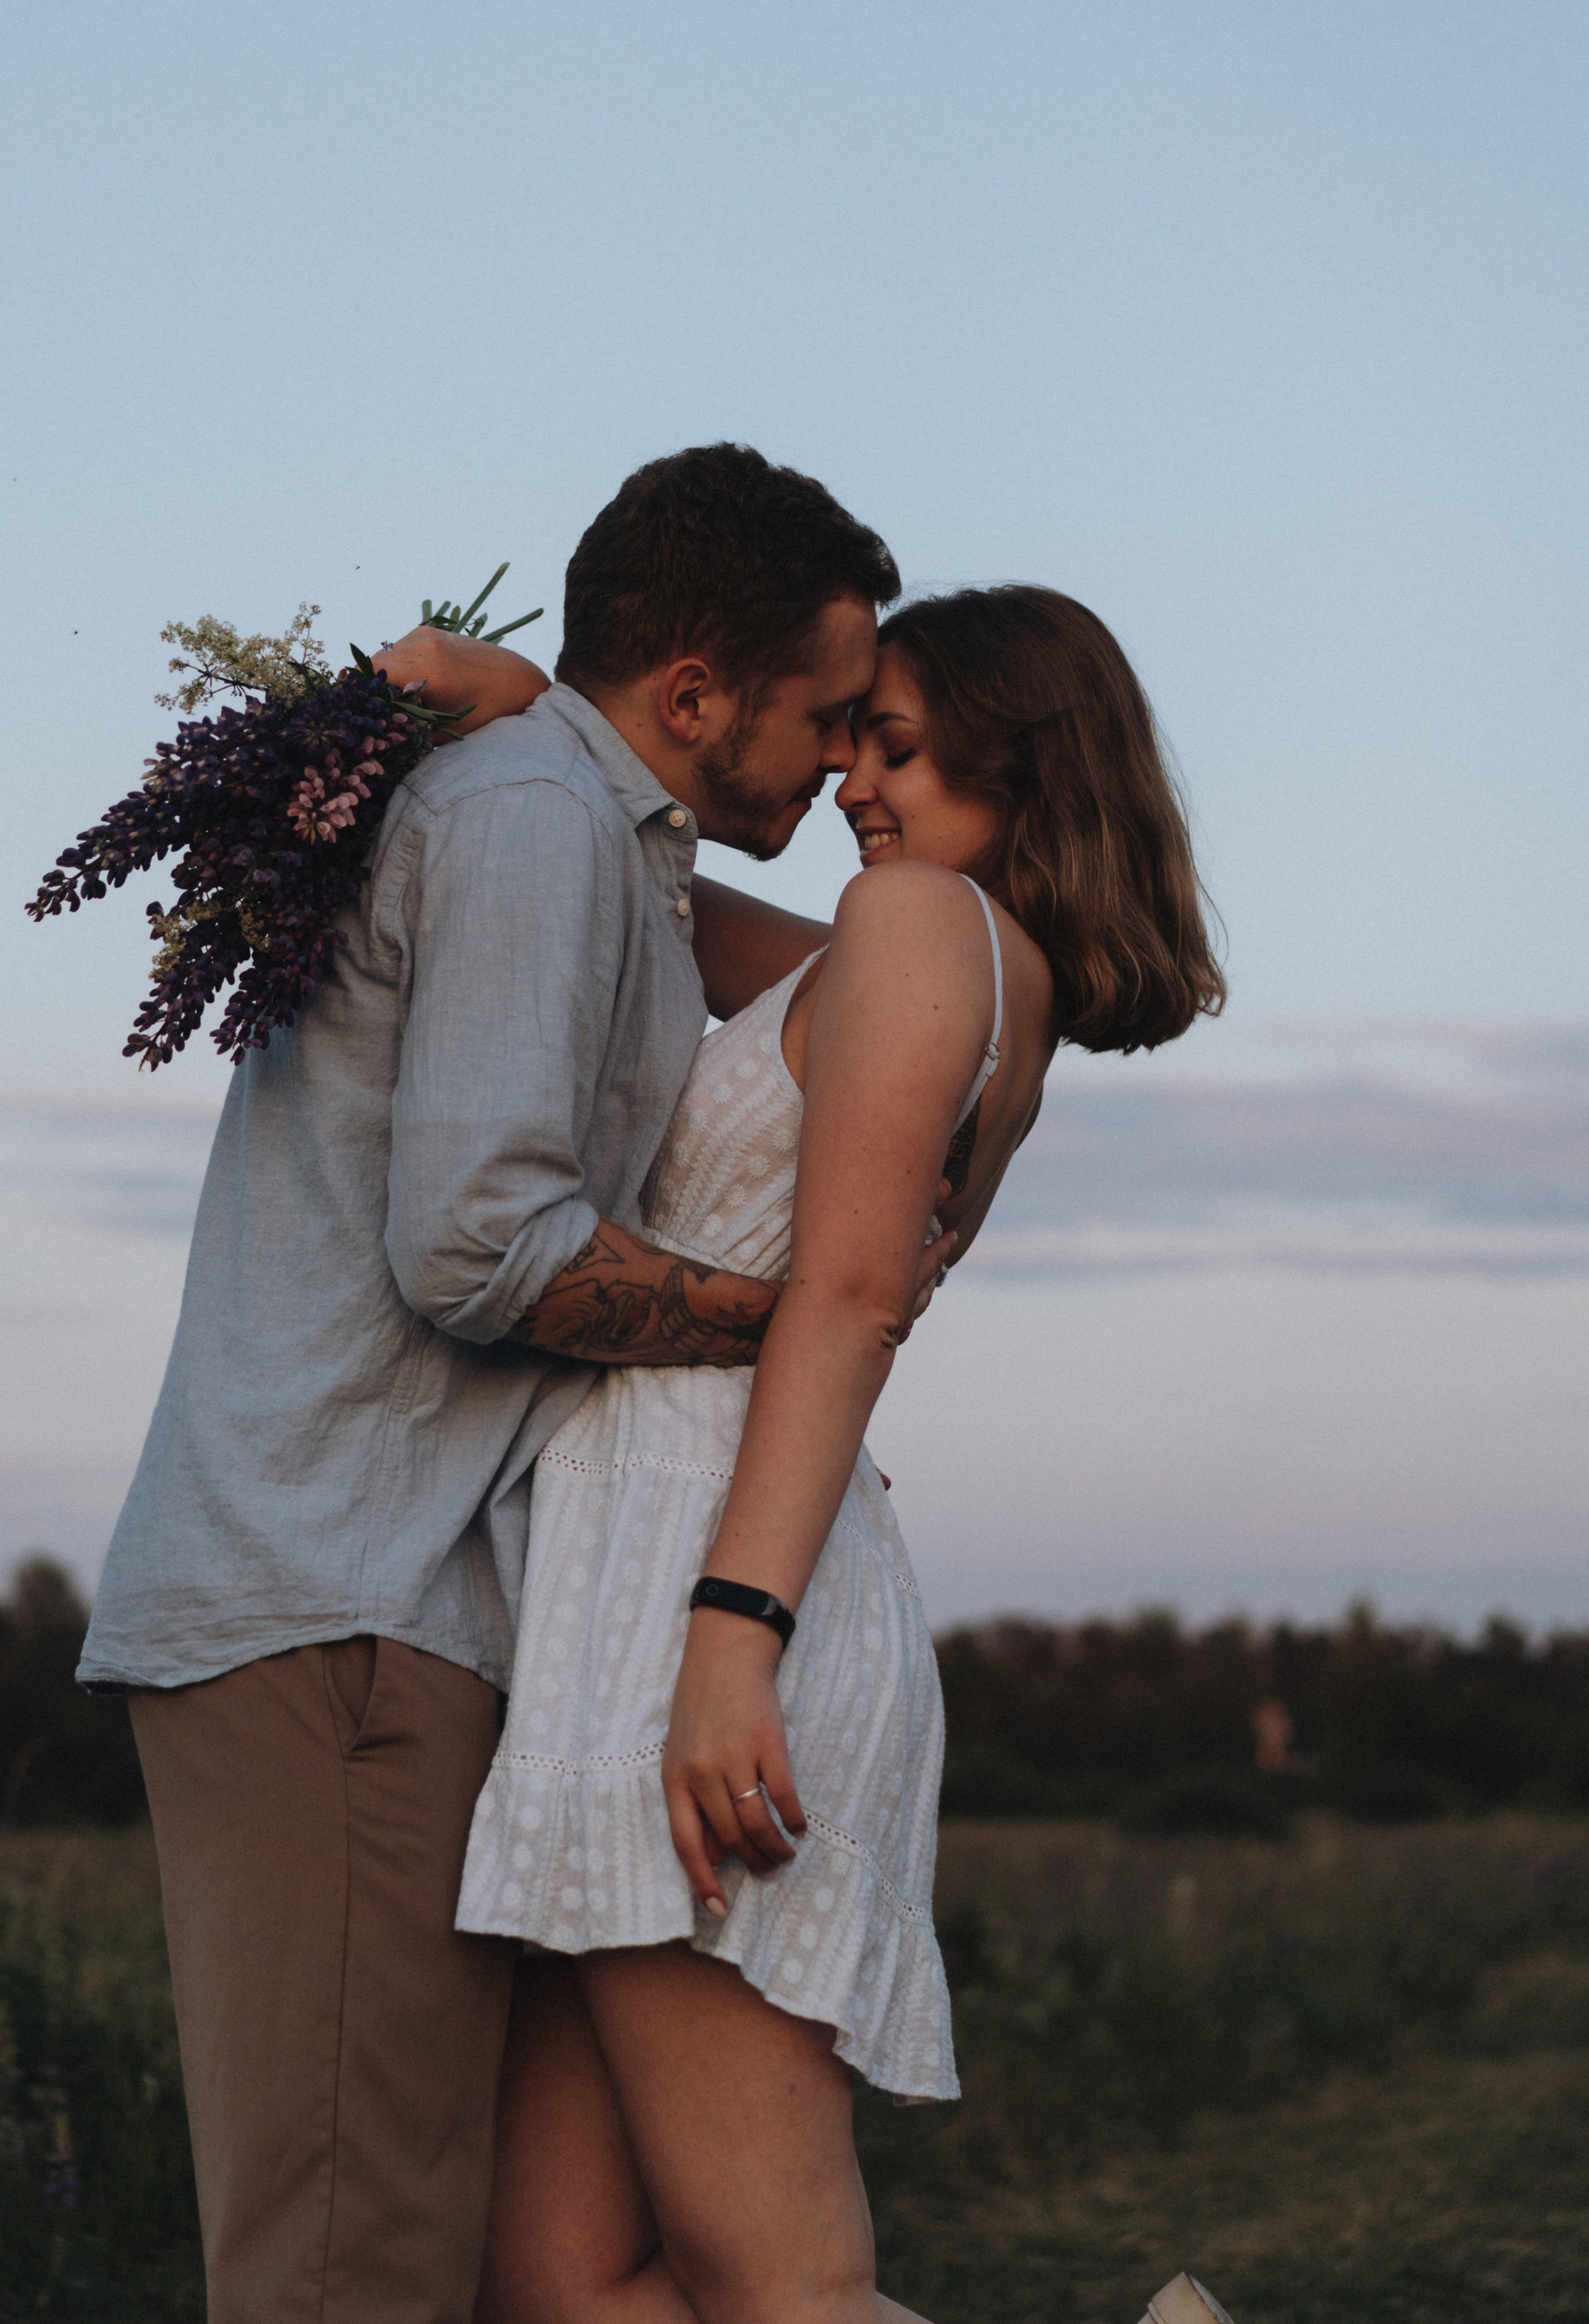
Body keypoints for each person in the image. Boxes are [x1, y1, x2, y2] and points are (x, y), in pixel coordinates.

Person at [76, 444, 910, 2324]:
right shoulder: (536, 822)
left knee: (441, 2263)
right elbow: (479, 1243)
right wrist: (786, 1330)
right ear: (691, 695)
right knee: (343, 2276)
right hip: (337, 1605)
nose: (842, 763)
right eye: (828, 717)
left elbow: (875, 997)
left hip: (390, 1613)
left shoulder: (597, 834)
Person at [456, 584, 1227, 2324]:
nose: (849, 782)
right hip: (661, 1577)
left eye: (890, 742)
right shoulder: (929, 963)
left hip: (714, 1588)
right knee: (557, 2286)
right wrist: (544, 727)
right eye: (842, 738)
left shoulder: (914, 931)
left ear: (1016, 756)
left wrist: (734, 1631)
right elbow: (645, 893)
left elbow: (858, 1292)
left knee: (774, 2276)